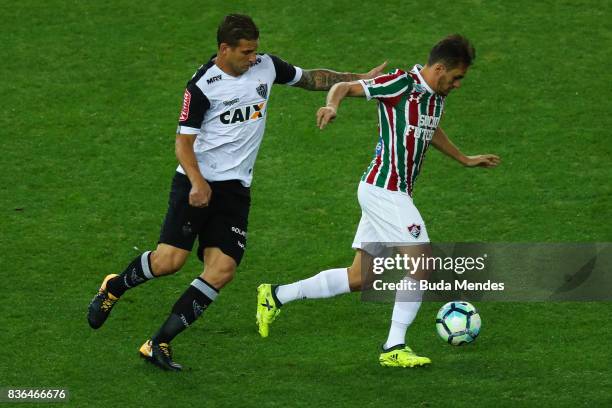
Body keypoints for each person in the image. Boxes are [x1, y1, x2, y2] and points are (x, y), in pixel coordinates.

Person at [87, 14, 387, 371]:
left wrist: (360, 79)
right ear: (224, 49)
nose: (252, 58)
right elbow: (183, 144)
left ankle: (158, 342)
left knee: (222, 269)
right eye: (246, 52)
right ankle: (115, 286)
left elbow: (311, 79)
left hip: (235, 189)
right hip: (196, 183)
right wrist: (198, 182)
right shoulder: (202, 86)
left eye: (255, 51)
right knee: (169, 262)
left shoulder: (266, 67)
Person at [256, 34, 500, 367]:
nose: (458, 85)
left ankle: (275, 295)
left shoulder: (436, 98)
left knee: (361, 277)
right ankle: (393, 347)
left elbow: (430, 129)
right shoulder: (400, 84)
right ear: (440, 68)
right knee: (422, 263)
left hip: (386, 193)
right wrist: (331, 105)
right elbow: (345, 87)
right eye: (456, 77)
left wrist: (464, 158)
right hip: (385, 191)